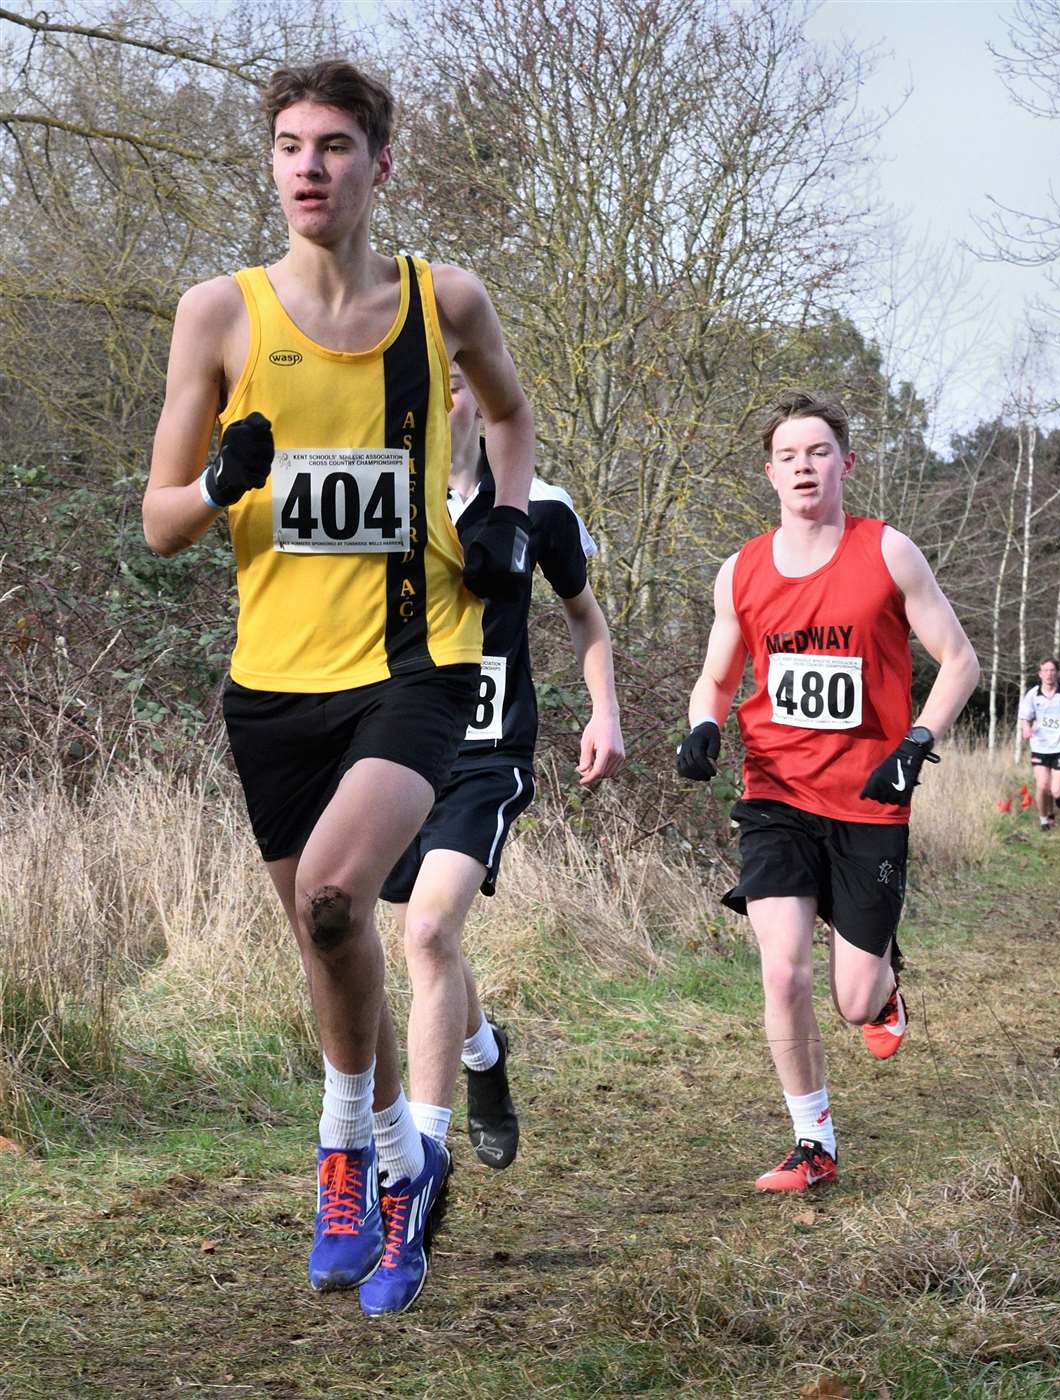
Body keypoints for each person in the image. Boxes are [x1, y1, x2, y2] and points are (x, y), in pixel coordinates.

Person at [142, 60, 535, 1314]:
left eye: (336, 146)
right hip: (273, 683)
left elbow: (513, 418)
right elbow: (158, 522)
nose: (310, 165)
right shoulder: (219, 313)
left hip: (416, 661)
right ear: (271, 164)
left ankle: (344, 1154)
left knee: (332, 897)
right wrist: (219, 481)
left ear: (380, 165)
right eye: (290, 146)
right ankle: (407, 1174)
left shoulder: (442, 298)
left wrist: (509, 527)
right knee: (326, 940)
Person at [677, 389, 979, 1193]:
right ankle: (813, 1143)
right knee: (782, 973)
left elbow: (959, 661)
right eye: (789, 456)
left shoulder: (888, 553)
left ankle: (881, 990)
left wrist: (917, 742)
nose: (804, 467)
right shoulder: (740, 570)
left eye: (818, 453)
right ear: (769, 473)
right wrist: (703, 727)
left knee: (851, 998)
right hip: (774, 794)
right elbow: (716, 677)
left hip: (871, 798)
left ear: (845, 465)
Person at [368, 367, 623, 1266]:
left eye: (455, 389)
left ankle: (417, 1174)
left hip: (487, 755)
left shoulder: (541, 510)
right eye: (425, 393)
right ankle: (483, 1056)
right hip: (400, 749)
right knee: (425, 936)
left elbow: (586, 622)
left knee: (431, 932)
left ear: (482, 399)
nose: (442, 408)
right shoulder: (382, 499)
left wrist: (606, 713)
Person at [1018, 657, 1060, 832]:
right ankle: (1044, 820)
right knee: (1043, 785)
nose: (1049, 674)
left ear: (1057, 673)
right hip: (1040, 746)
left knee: (1057, 791)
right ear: (1040, 674)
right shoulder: (1032, 694)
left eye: (1052, 670)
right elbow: (1024, 717)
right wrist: (1026, 729)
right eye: (1045, 671)